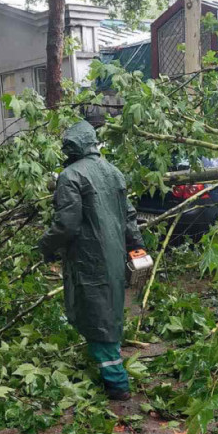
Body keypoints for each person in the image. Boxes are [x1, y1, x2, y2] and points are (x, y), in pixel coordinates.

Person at [38, 121, 145, 401]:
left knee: (96, 315)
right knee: (108, 311)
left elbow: (66, 224)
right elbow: (129, 218)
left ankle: (117, 384)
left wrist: (45, 246)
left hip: (88, 258)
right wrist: (138, 250)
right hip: (113, 256)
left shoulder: (70, 176)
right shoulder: (113, 172)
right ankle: (111, 369)